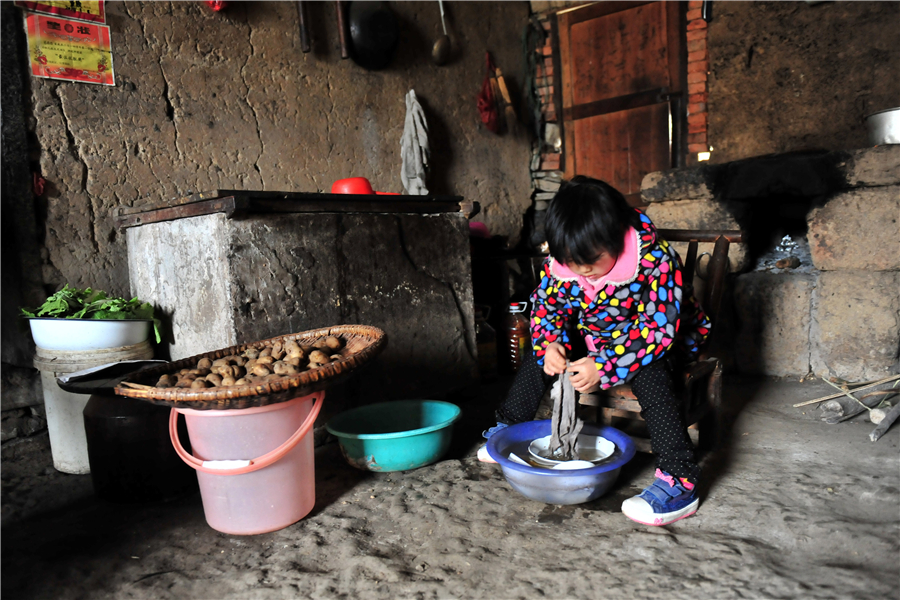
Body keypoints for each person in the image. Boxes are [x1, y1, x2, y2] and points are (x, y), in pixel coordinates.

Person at [480, 176, 711, 527]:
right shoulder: (564, 264)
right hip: (596, 337)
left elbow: (658, 331)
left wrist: (604, 366)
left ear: (617, 232)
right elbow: (547, 308)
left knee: (650, 374)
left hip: (656, 342)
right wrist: (551, 342)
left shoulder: (654, 259)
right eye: (570, 260)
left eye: (590, 259)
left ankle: (680, 480)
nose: (581, 270)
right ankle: (508, 426)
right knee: (542, 355)